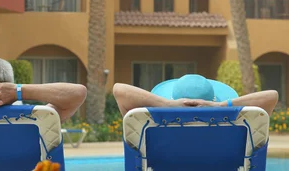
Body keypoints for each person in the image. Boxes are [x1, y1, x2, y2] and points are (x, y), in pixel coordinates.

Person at [113, 74, 278, 117]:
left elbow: (119, 89)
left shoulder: (151, 121)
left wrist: (168, 105)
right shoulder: (234, 121)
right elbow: (271, 96)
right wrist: (218, 107)